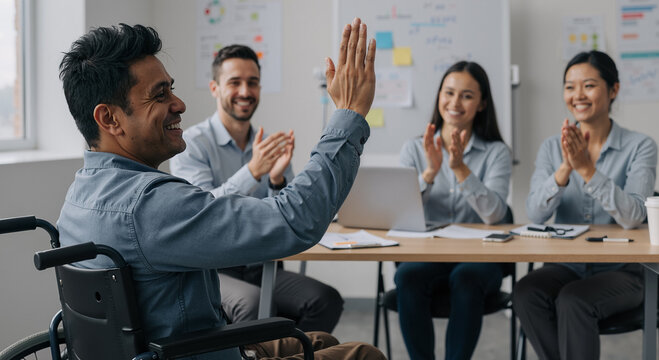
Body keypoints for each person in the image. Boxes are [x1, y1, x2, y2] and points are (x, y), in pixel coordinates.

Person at [56, 21, 385, 360]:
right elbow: (294, 220)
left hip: (169, 343)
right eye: (160, 94)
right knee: (363, 353)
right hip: (193, 350)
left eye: (171, 89)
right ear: (109, 119)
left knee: (320, 340)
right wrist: (349, 115)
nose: (179, 104)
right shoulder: (150, 203)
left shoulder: (78, 196)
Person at [169, 44, 343, 333]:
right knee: (251, 302)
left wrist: (276, 181)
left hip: (261, 263)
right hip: (213, 268)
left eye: (252, 82)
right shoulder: (191, 144)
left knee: (325, 300)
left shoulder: (267, 145)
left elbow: (287, 214)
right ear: (215, 88)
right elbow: (201, 211)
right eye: (234, 82)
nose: (245, 91)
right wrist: (252, 171)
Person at [514, 50, 657, 360]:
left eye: (589, 85)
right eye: (569, 86)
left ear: (613, 90)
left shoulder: (640, 146)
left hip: (624, 272)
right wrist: (565, 169)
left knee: (574, 300)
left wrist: (587, 170)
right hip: (565, 265)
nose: (577, 95)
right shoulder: (553, 147)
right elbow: (535, 213)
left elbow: (634, 217)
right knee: (527, 293)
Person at [394, 61, 512, 360]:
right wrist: (431, 173)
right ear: (439, 97)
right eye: (449, 93)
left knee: (467, 277)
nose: (455, 103)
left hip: (480, 258)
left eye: (467, 95)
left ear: (482, 103)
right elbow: (399, 214)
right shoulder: (414, 149)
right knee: (407, 276)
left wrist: (460, 169)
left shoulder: (496, 152)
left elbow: (495, 215)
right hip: (426, 255)